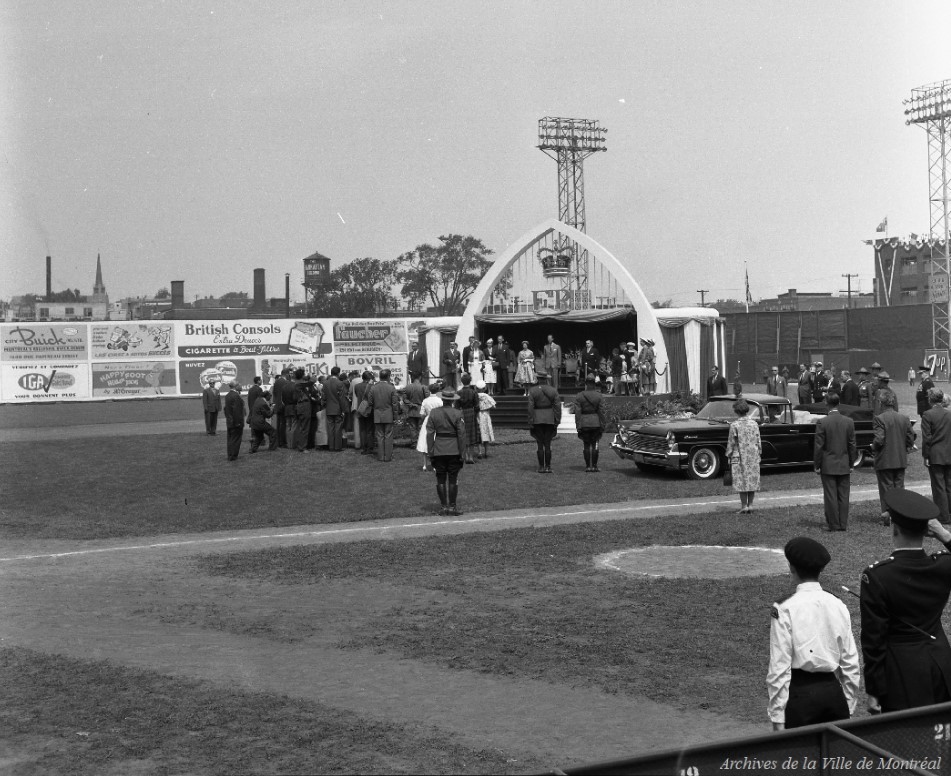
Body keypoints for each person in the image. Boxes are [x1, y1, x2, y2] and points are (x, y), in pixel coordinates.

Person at [861, 489, 951, 714]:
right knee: (943, 737)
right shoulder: (942, 564)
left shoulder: (878, 575)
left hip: (902, 670)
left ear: (895, 528)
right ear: (927, 531)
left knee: (907, 742)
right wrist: (944, 534)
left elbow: (874, 638)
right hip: (941, 663)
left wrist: (874, 689)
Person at [767, 537, 860, 730]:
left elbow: (779, 666)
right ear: (821, 570)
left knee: (799, 758)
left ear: (791, 568)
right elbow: (850, 662)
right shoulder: (838, 605)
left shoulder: (784, 608)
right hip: (833, 694)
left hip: (800, 697)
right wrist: (848, 704)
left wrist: (778, 716)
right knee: (836, 759)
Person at [871, 388, 917, 526]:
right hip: (900, 458)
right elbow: (910, 437)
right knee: (899, 488)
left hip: (885, 459)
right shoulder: (904, 418)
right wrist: (907, 447)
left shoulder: (879, 419)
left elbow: (879, 440)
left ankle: (887, 516)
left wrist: (873, 447)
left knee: (886, 489)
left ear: (882, 403)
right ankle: (899, 516)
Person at [813, 392, 857, 532]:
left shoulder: (822, 422)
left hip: (828, 464)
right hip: (843, 462)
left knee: (831, 495)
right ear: (838, 403)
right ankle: (842, 524)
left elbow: (819, 446)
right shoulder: (848, 421)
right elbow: (852, 445)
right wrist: (851, 463)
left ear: (826, 403)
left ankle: (833, 524)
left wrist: (817, 465)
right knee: (844, 495)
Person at [426, 388, 467, 516]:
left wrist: (430, 451)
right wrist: (462, 452)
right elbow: (461, 435)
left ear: (442, 399)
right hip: (454, 449)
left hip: (438, 449)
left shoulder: (433, 413)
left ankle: (444, 507)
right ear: (453, 401)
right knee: (453, 479)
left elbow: (429, 434)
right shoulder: (458, 413)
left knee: (440, 479)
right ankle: (453, 507)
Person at [725, 398, 761, 514]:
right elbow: (758, 441)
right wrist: (759, 453)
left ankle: (744, 505)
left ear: (736, 411)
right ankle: (750, 505)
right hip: (753, 456)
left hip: (739, 456)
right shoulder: (754, 424)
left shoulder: (734, 425)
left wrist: (728, 455)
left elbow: (731, 443)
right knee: (751, 479)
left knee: (741, 480)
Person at [923, 387, 951, 525]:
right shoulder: (949, 414)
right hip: (949, 453)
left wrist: (926, 456)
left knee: (939, 486)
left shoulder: (928, 414)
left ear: (930, 399)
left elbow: (927, 438)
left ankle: (943, 517)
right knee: (949, 485)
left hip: (936, 454)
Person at [527, 369, 561, 474]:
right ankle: (548, 466)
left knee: (539, 444)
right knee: (548, 443)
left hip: (537, 418)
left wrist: (530, 420)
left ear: (538, 379)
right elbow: (557, 406)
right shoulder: (553, 390)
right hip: (549, 418)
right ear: (546, 379)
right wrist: (557, 419)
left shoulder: (533, 391)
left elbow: (530, 407)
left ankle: (541, 467)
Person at [572, 375, 607, 472]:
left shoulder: (579, 395)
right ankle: (594, 466)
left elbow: (577, 413)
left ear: (586, 383)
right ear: (594, 384)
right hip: (596, 423)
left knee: (586, 445)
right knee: (595, 444)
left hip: (584, 422)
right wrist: (603, 424)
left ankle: (588, 466)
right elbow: (602, 412)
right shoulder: (599, 396)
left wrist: (578, 425)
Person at [367, 368, 400, 462]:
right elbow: (395, 403)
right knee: (388, 436)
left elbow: (370, 402)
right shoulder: (391, 387)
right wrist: (395, 416)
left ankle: (381, 457)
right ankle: (388, 457)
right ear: (388, 377)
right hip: (388, 414)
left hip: (377, 414)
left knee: (379, 436)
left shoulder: (373, 387)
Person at [416, 382, 444, 470]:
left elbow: (421, 414)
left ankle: (425, 465)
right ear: (438, 390)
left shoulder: (425, 400)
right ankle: (435, 464)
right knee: (436, 440)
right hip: (438, 420)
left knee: (425, 441)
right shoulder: (440, 400)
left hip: (428, 420)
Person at [456, 372, 481, 464]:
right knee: (471, 434)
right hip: (471, 413)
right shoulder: (473, 392)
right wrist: (476, 414)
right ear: (470, 381)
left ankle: (465, 456)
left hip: (462, 413)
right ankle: (470, 457)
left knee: (464, 434)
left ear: (462, 382)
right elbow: (477, 406)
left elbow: (456, 406)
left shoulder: (458, 392)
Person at [323, 366, 347, 452]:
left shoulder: (325, 383)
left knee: (330, 428)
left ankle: (331, 446)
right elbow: (341, 398)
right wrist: (343, 410)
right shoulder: (339, 383)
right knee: (338, 428)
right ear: (338, 373)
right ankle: (337, 447)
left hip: (329, 408)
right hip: (337, 408)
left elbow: (324, 397)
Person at [354, 370, 376, 455]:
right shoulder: (372, 386)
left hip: (361, 409)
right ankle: (370, 447)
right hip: (370, 409)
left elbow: (356, 395)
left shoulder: (357, 386)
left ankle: (364, 447)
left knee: (362, 429)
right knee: (370, 429)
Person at [223, 380, 245, 461]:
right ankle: (233, 455)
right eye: (239, 384)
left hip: (229, 421)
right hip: (236, 422)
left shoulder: (228, 395)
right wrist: (238, 422)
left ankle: (230, 454)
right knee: (236, 439)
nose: (240, 385)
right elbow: (237, 410)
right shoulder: (236, 396)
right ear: (236, 386)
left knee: (230, 439)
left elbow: (226, 409)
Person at [475, 380, 495, 459]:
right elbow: (493, 405)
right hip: (485, 415)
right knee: (486, 431)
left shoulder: (475, 395)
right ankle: (486, 452)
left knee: (478, 432)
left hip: (477, 414)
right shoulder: (487, 396)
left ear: (476, 388)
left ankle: (479, 452)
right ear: (484, 388)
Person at [403, 373, 428, 437]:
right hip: (421, 410)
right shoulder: (424, 387)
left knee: (413, 428)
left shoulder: (407, 387)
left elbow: (404, 399)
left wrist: (411, 404)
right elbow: (427, 399)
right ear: (420, 377)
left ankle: (414, 443)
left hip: (412, 410)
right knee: (421, 428)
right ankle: (420, 444)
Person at [272, 368, 288, 448]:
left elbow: (274, 393)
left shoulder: (276, 382)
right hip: (283, 405)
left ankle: (278, 441)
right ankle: (282, 442)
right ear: (287, 374)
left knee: (279, 424)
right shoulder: (285, 382)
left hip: (278, 405)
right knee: (283, 424)